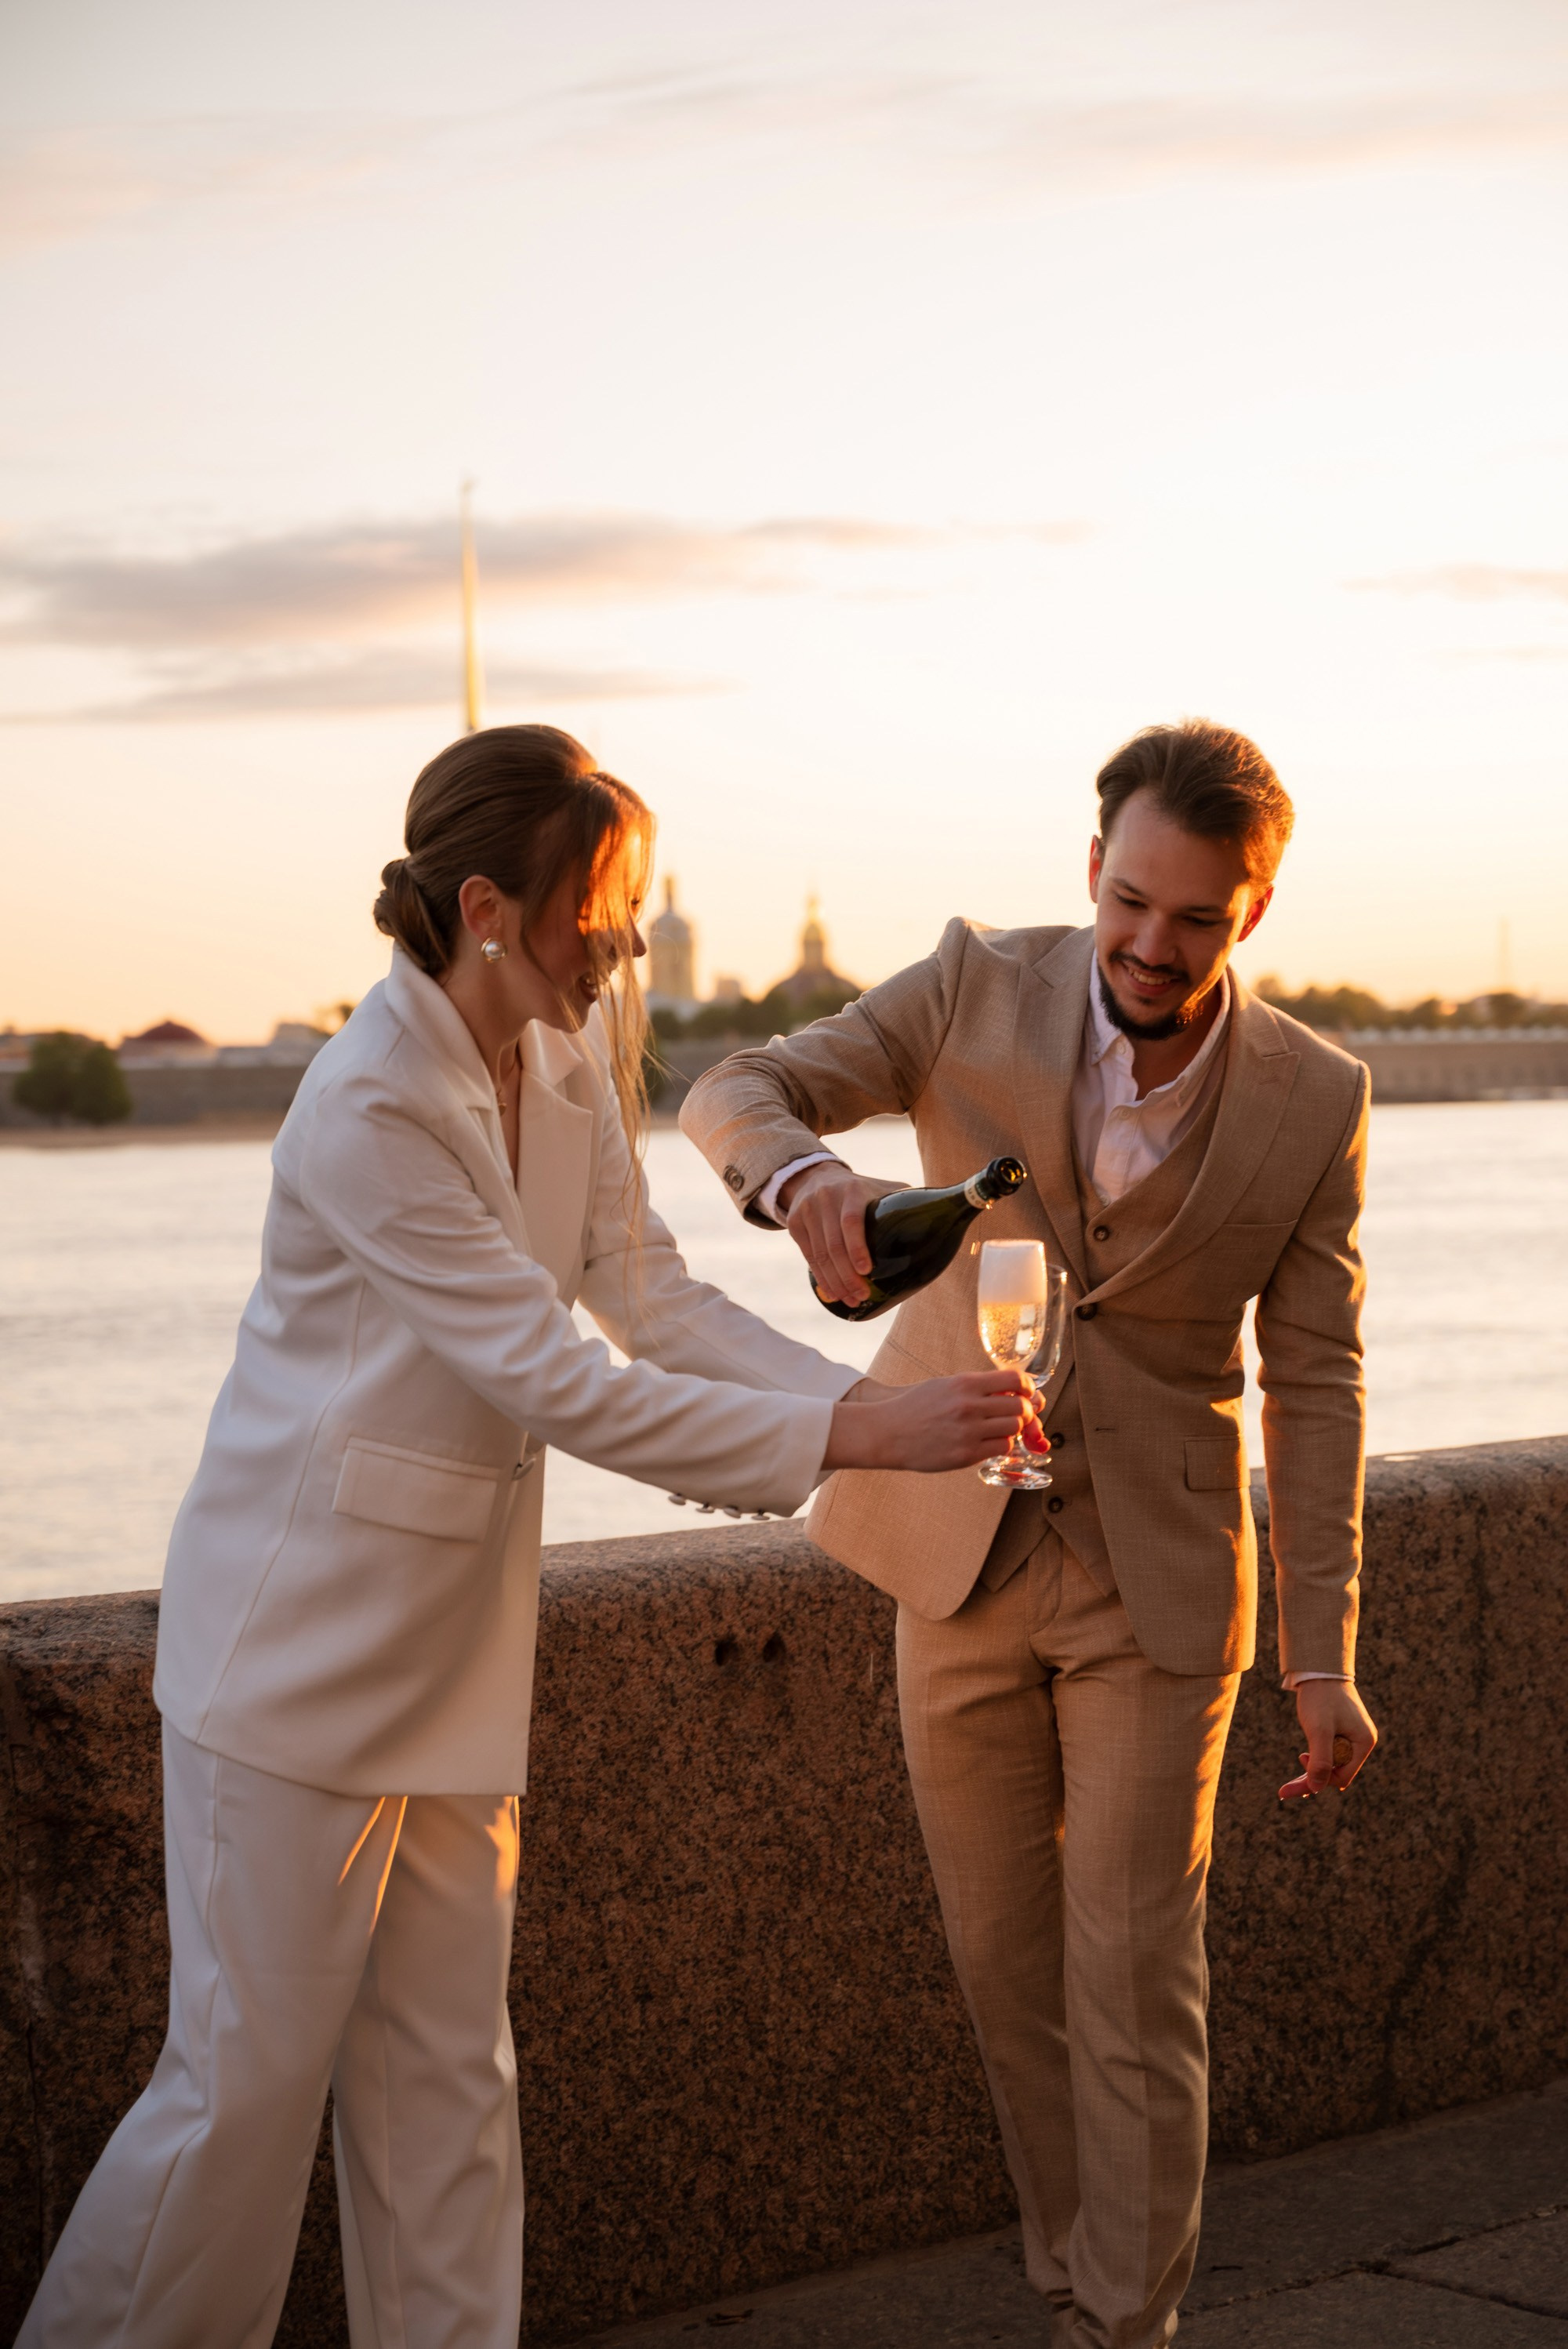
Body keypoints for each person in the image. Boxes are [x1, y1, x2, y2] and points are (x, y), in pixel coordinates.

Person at [18, 724, 1036, 2349]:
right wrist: (861, 1437)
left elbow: (654, 1298)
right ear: (485, 905)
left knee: (448, 2089)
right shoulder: (366, 1102)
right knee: (241, 2103)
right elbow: (560, 1378)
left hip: (456, 1656)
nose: (620, 940)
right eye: (596, 909)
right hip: (293, 1654)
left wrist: (879, 1398)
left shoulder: (569, 1052)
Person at [681, 720, 1380, 2349]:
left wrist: (1323, 1652)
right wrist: (805, 1190)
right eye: (1131, 900)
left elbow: (1320, 1378)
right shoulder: (968, 988)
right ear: (1092, 870)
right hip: (954, 1549)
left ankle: (1119, 2329)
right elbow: (738, 1085)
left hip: (1158, 1584)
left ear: (1250, 914)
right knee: (1006, 1973)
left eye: (1196, 917)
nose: (1152, 944)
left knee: (1134, 1980)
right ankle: (1074, 2278)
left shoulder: (1315, 1097)